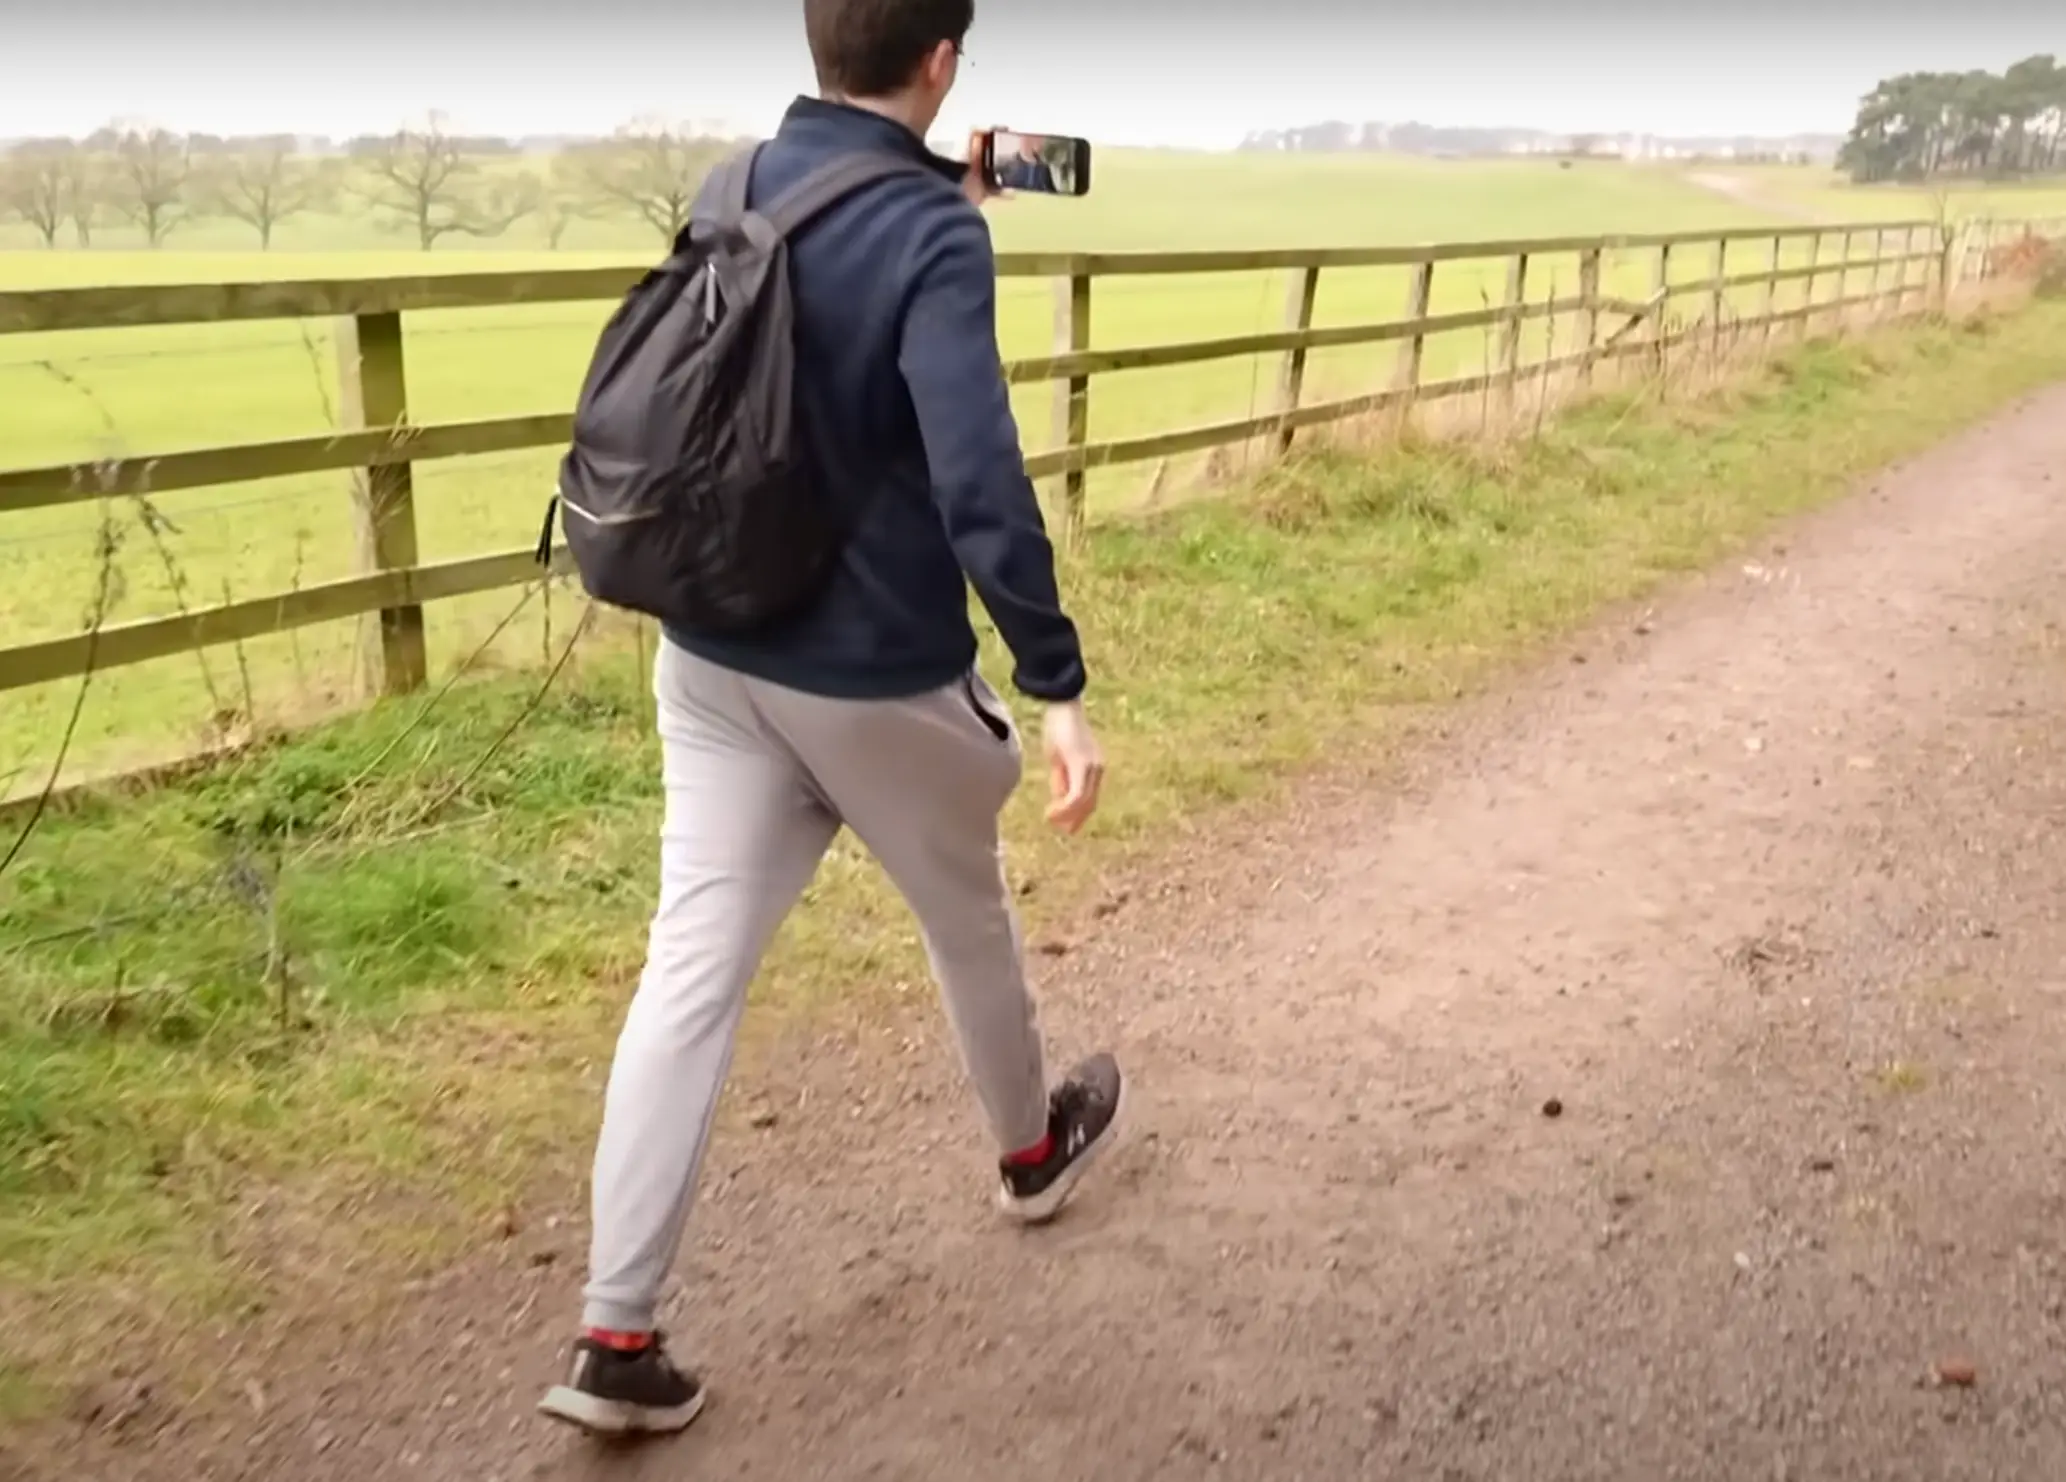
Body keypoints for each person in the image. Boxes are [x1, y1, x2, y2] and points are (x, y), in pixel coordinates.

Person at [537, 0, 1126, 1439]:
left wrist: (939, 190)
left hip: (710, 653)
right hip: (870, 674)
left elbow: (804, 309)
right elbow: (979, 480)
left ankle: (616, 1331)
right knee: (966, 916)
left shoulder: (734, 182)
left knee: (689, 972)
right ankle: (1030, 1153)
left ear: (821, 48)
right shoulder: (934, 239)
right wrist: (1054, 685)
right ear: (942, 63)